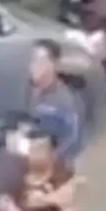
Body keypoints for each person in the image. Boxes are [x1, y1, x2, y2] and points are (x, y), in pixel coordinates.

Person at [0, 120, 81, 211]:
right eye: (33, 149)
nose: (37, 153)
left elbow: (68, 201)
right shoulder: (7, 164)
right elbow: (5, 205)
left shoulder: (58, 163)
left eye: (42, 148)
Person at [27, 38, 84, 168]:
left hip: (58, 166)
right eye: (32, 60)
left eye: (41, 61)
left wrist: (52, 159)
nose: (34, 66)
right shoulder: (32, 92)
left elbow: (74, 141)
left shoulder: (66, 100)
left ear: (55, 65)